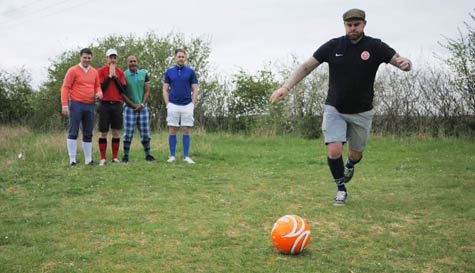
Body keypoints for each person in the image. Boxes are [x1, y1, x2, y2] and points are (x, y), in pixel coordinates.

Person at [270, 8, 412, 206]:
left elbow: (399, 60)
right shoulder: (333, 46)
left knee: (355, 154)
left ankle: (350, 164)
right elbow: (306, 67)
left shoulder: (375, 46)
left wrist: (406, 64)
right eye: (349, 25)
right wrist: (286, 87)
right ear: (344, 25)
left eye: (356, 25)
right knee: (334, 150)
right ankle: (341, 189)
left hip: (362, 112)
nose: (352, 29)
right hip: (335, 108)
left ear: (364, 24)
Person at [61, 48, 103, 166]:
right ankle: (72, 160)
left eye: (89, 58)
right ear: (80, 57)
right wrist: (64, 105)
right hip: (75, 104)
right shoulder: (73, 70)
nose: (87, 60)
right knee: (73, 131)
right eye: (85, 57)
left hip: (90, 105)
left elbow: (97, 86)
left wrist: (99, 92)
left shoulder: (94, 72)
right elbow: (65, 88)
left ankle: (88, 160)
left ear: (91, 58)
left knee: (88, 132)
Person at [163, 48, 199, 164]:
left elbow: (195, 88)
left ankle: (186, 156)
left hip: (187, 105)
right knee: (172, 129)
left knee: (186, 130)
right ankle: (172, 156)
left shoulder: (190, 72)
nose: (181, 59)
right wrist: (167, 104)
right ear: (175, 58)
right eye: (179, 56)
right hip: (173, 104)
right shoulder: (169, 72)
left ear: (185, 58)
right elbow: (165, 89)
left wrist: (192, 104)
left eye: (183, 57)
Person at [96, 49, 132, 166]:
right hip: (104, 104)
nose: (112, 60)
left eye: (114, 57)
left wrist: (115, 77)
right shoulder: (100, 71)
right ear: (106, 58)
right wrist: (109, 76)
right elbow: (101, 88)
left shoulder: (120, 73)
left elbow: (123, 89)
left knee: (116, 131)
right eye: (110, 57)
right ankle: (102, 158)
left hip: (117, 104)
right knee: (103, 132)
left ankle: (115, 157)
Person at [122, 55, 155, 162]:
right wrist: (132, 105)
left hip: (142, 108)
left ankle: (148, 155)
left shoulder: (144, 74)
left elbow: (147, 91)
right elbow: (121, 93)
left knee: (145, 132)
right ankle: (126, 156)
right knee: (128, 133)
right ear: (127, 63)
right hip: (129, 107)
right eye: (130, 61)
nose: (133, 63)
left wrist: (142, 104)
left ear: (137, 62)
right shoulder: (123, 75)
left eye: (134, 61)